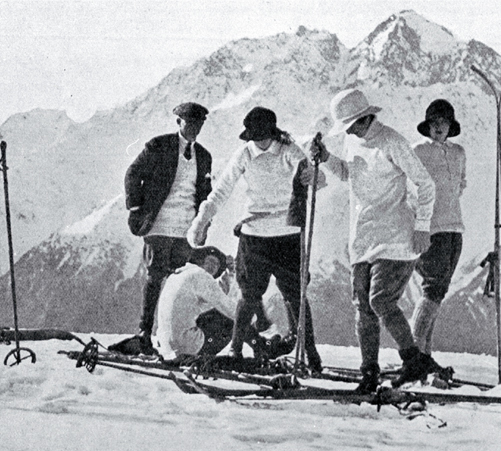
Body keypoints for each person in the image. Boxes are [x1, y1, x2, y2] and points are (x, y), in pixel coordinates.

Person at [310, 89, 436, 392]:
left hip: (395, 236)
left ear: (364, 117)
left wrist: (422, 226)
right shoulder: (352, 139)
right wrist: (327, 158)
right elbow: (348, 173)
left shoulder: (392, 141)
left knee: (380, 300)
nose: (349, 129)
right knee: (363, 307)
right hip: (363, 237)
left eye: (351, 123)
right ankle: (369, 372)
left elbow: (425, 182)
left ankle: (412, 359)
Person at [188, 106, 324, 372]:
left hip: (286, 233)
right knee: (248, 295)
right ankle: (236, 349)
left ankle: (310, 352)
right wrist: (202, 220)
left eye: (263, 136)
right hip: (255, 236)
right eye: (255, 136)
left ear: (273, 134)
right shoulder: (246, 153)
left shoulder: (289, 151)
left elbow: (316, 178)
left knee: (296, 296)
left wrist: (311, 176)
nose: (259, 142)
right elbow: (221, 190)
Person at [124, 102, 212, 355]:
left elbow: (204, 193)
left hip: (185, 227)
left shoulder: (204, 156)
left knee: (178, 281)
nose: (194, 128)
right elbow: (133, 173)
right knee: (155, 278)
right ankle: (144, 332)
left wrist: (203, 223)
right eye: (190, 123)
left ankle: (168, 334)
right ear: (179, 122)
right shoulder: (158, 146)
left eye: (199, 124)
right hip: (159, 223)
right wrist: (136, 207)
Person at [409, 99, 466, 376]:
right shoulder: (417, 151)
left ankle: (424, 355)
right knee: (432, 288)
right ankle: (412, 356)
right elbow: (408, 188)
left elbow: (461, 184)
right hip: (430, 229)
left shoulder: (458, 153)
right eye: (434, 123)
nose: (439, 127)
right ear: (428, 126)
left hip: (455, 228)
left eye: (444, 122)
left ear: (451, 126)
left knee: (438, 292)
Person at [152, 246, 235, 362]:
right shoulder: (201, 275)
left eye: (216, 264)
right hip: (186, 347)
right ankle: (256, 351)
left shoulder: (178, 275)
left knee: (216, 313)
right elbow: (227, 307)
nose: (213, 266)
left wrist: (228, 275)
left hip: (166, 347)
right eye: (210, 261)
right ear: (201, 261)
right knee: (234, 319)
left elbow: (205, 306)